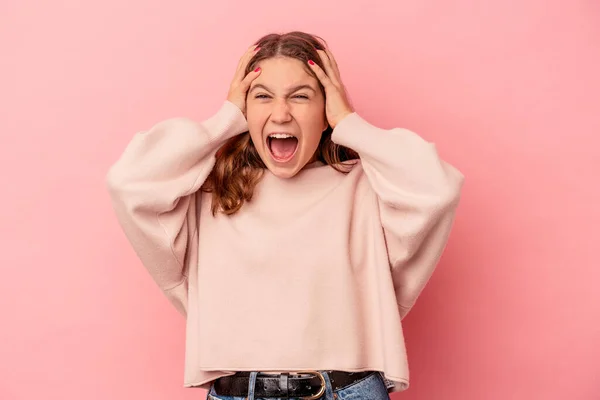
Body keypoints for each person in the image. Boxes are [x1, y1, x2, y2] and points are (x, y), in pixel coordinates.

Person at [106, 31, 465, 400]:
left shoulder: (365, 187)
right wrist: (223, 120)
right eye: (262, 96)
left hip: (347, 392)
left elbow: (438, 189)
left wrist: (349, 122)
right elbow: (128, 182)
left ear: (325, 112)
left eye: (301, 96)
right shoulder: (210, 191)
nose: (281, 113)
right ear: (245, 111)